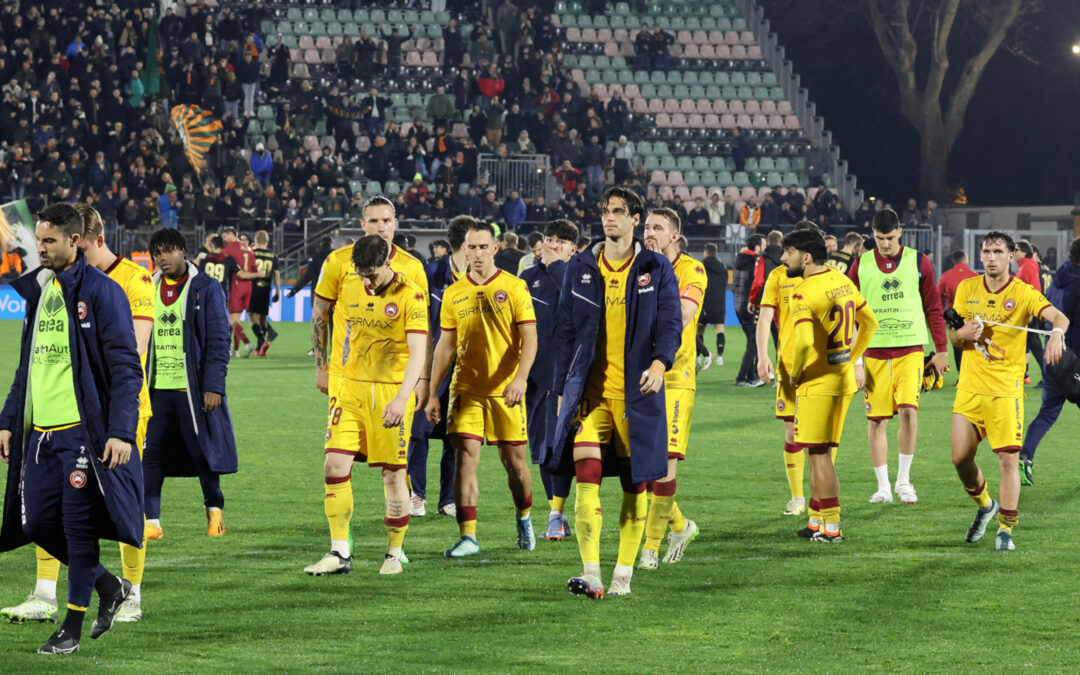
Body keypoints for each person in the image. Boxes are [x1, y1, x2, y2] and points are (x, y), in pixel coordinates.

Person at [0, 203, 143, 654]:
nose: (39, 248)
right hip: (39, 434)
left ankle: (72, 628)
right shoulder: (41, 290)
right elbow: (28, 366)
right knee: (36, 522)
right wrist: (8, 421)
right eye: (38, 240)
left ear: (75, 241)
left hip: (83, 432)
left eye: (49, 241)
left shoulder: (102, 292)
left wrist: (121, 430)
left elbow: (125, 365)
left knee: (79, 529)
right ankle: (108, 585)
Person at [546, 186, 681, 599]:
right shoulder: (581, 267)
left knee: (634, 485)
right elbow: (565, 332)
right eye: (605, 211)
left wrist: (660, 365)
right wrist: (559, 392)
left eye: (619, 211)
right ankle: (592, 573)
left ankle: (623, 573)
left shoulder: (656, 268)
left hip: (637, 398)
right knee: (585, 473)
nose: (609, 218)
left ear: (635, 219)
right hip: (593, 398)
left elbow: (671, 325)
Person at [310, 198, 429, 574]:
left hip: (391, 387)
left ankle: (394, 552)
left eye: (386, 220)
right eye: (373, 220)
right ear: (362, 224)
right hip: (348, 385)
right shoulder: (339, 262)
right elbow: (320, 315)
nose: (380, 226)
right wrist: (322, 367)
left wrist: (409, 391)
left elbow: (419, 344)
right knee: (333, 464)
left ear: (396, 222)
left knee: (393, 473)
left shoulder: (413, 277)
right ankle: (339, 552)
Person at [425, 220, 538, 558]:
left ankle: (524, 518)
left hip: (506, 391)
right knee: (465, 460)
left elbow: (530, 339)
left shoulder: (514, 287)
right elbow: (445, 345)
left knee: (515, 465)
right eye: (470, 247)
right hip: (466, 390)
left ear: (494, 248)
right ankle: (468, 536)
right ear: (464, 249)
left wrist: (520, 379)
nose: (475, 253)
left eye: (481, 247)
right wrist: (432, 392)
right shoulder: (454, 292)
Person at [947, 231, 1068, 551]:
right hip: (970, 389)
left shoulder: (1023, 292)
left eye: (997, 251)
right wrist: (963, 332)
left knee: (1008, 461)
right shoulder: (967, 288)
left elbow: (1058, 316)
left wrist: (1056, 333)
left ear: (1010, 257)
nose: (990, 257)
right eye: (986, 251)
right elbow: (955, 338)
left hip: (1005, 392)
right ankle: (987, 506)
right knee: (960, 459)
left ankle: (1006, 530)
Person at [143, 228, 238, 541]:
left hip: (192, 389)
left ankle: (214, 511)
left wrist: (214, 386)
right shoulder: (148, 288)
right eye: (157, 253)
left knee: (202, 454)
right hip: (156, 390)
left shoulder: (205, 288)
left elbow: (219, 340)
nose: (162, 258)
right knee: (150, 454)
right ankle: (151, 520)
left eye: (168, 251)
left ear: (183, 251)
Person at [784, 229, 878, 542]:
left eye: (790, 252)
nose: (785, 258)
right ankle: (816, 520)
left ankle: (832, 527)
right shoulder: (842, 280)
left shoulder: (803, 291)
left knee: (818, 455)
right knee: (819, 452)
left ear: (806, 257)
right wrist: (851, 358)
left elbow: (804, 344)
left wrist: (795, 373)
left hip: (817, 382)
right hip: (842, 379)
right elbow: (871, 324)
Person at [849, 209, 947, 505]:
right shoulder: (860, 265)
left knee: (909, 412)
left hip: (910, 350)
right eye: (879, 239)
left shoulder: (919, 261)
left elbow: (933, 307)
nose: (885, 244)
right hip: (873, 353)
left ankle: (903, 481)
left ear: (900, 232)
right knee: (876, 420)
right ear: (873, 235)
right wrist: (854, 363)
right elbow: (849, 316)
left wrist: (941, 349)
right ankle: (883, 487)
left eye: (890, 238)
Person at [637, 208, 705, 569]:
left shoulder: (691, 270)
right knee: (643, 469)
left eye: (658, 228)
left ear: (674, 236)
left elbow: (682, 312)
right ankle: (680, 526)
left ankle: (650, 547)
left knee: (664, 467)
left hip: (676, 378)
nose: (650, 232)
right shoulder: (637, 268)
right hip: (640, 377)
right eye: (647, 226)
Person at [520, 219, 578, 541]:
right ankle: (556, 514)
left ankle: (570, 510)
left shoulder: (580, 276)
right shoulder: (526, 279)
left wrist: (557, 268)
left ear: (572, 248)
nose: (552, 245)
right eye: (549, 239)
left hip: (572, 376)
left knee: (571, 447)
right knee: (542, 447)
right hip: (537, 378)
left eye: (560, 241)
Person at [407, 219, 469, 519]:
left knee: (454, 437)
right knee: (418, 433)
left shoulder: (480, 279)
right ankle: (416, 495)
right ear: (464, 244)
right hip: (428, 368)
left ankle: (448, 499)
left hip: (463, 371)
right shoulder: (432, 274)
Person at [757, 221, 819, 518]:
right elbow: (765, 316)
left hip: (820, 368)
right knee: (792, 433)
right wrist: (762, 355)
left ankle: (821, 495)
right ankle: (797, 497)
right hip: (788, 366)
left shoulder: (829, 277)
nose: (784, 257)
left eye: (790, 251)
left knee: (820, 436)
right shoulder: (778, 277)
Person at [1020, 237, 1080, 484]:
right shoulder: (1077, 284)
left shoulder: (1060, 277)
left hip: (1052, 358)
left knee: (1047, 412)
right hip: (1074, 361)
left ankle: (1025, 457)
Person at [221, 228, 260, 357]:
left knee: (233, 320)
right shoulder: (247, 248)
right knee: (237, 319)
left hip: (237, 283)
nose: (224, 239)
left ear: (232, 235)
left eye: (225, 236)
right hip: (249, 286)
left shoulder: (230, 247)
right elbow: (254, 268)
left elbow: (220, 259)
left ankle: (247, 344)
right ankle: (236, 351)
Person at [733, 234, 765, 386]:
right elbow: (757, 282)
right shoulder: (757, 261)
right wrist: (753, 301)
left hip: (737, 305)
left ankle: (751, 373)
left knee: (751, 340)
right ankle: (744, 377)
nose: (764, 248)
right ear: (757, 246)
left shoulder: (739, 259)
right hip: (750, 305)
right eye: (763, 245)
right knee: (754, 341)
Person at [938, 250, 978, 370]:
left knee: (958, 345)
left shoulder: (946, 276)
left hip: (953, 316)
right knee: (973, 345)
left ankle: (961, 375)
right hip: (971, 315)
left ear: (953, 261)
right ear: (965, 259)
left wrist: (940, 314)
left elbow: (938, 295)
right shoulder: (974, 275)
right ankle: (973, 374)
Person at [1015, 240, 1045, 383]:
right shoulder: (1023, 266)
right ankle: (1023, 375)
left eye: (1017, 250)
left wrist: (1031, 311)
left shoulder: (1028, 266)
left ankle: (1048, 375)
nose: (1014, 252)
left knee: (1034, 343)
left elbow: (1034, 289)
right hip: (1027, 311)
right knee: (1025, 343)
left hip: (1031, 312)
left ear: (1025, 252)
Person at [249, 230, 282, 356]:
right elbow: (277, 274)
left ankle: (262, 342)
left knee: (253, 318)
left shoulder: (252, 253)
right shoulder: (272, 256)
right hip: (266, 289)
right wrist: (278, 291)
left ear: (256, 240)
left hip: (253, 288)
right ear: (267, 241)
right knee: (263, 318)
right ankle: (259, 350)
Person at [697, 243, 726, 369]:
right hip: (718, 303)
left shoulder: (700, 266)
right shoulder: (723, 267)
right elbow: (724, 284)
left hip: (703, 302)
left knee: (699, 330)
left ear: (706, 252)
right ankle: (720, 357)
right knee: (719, 329)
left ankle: (698, 357)